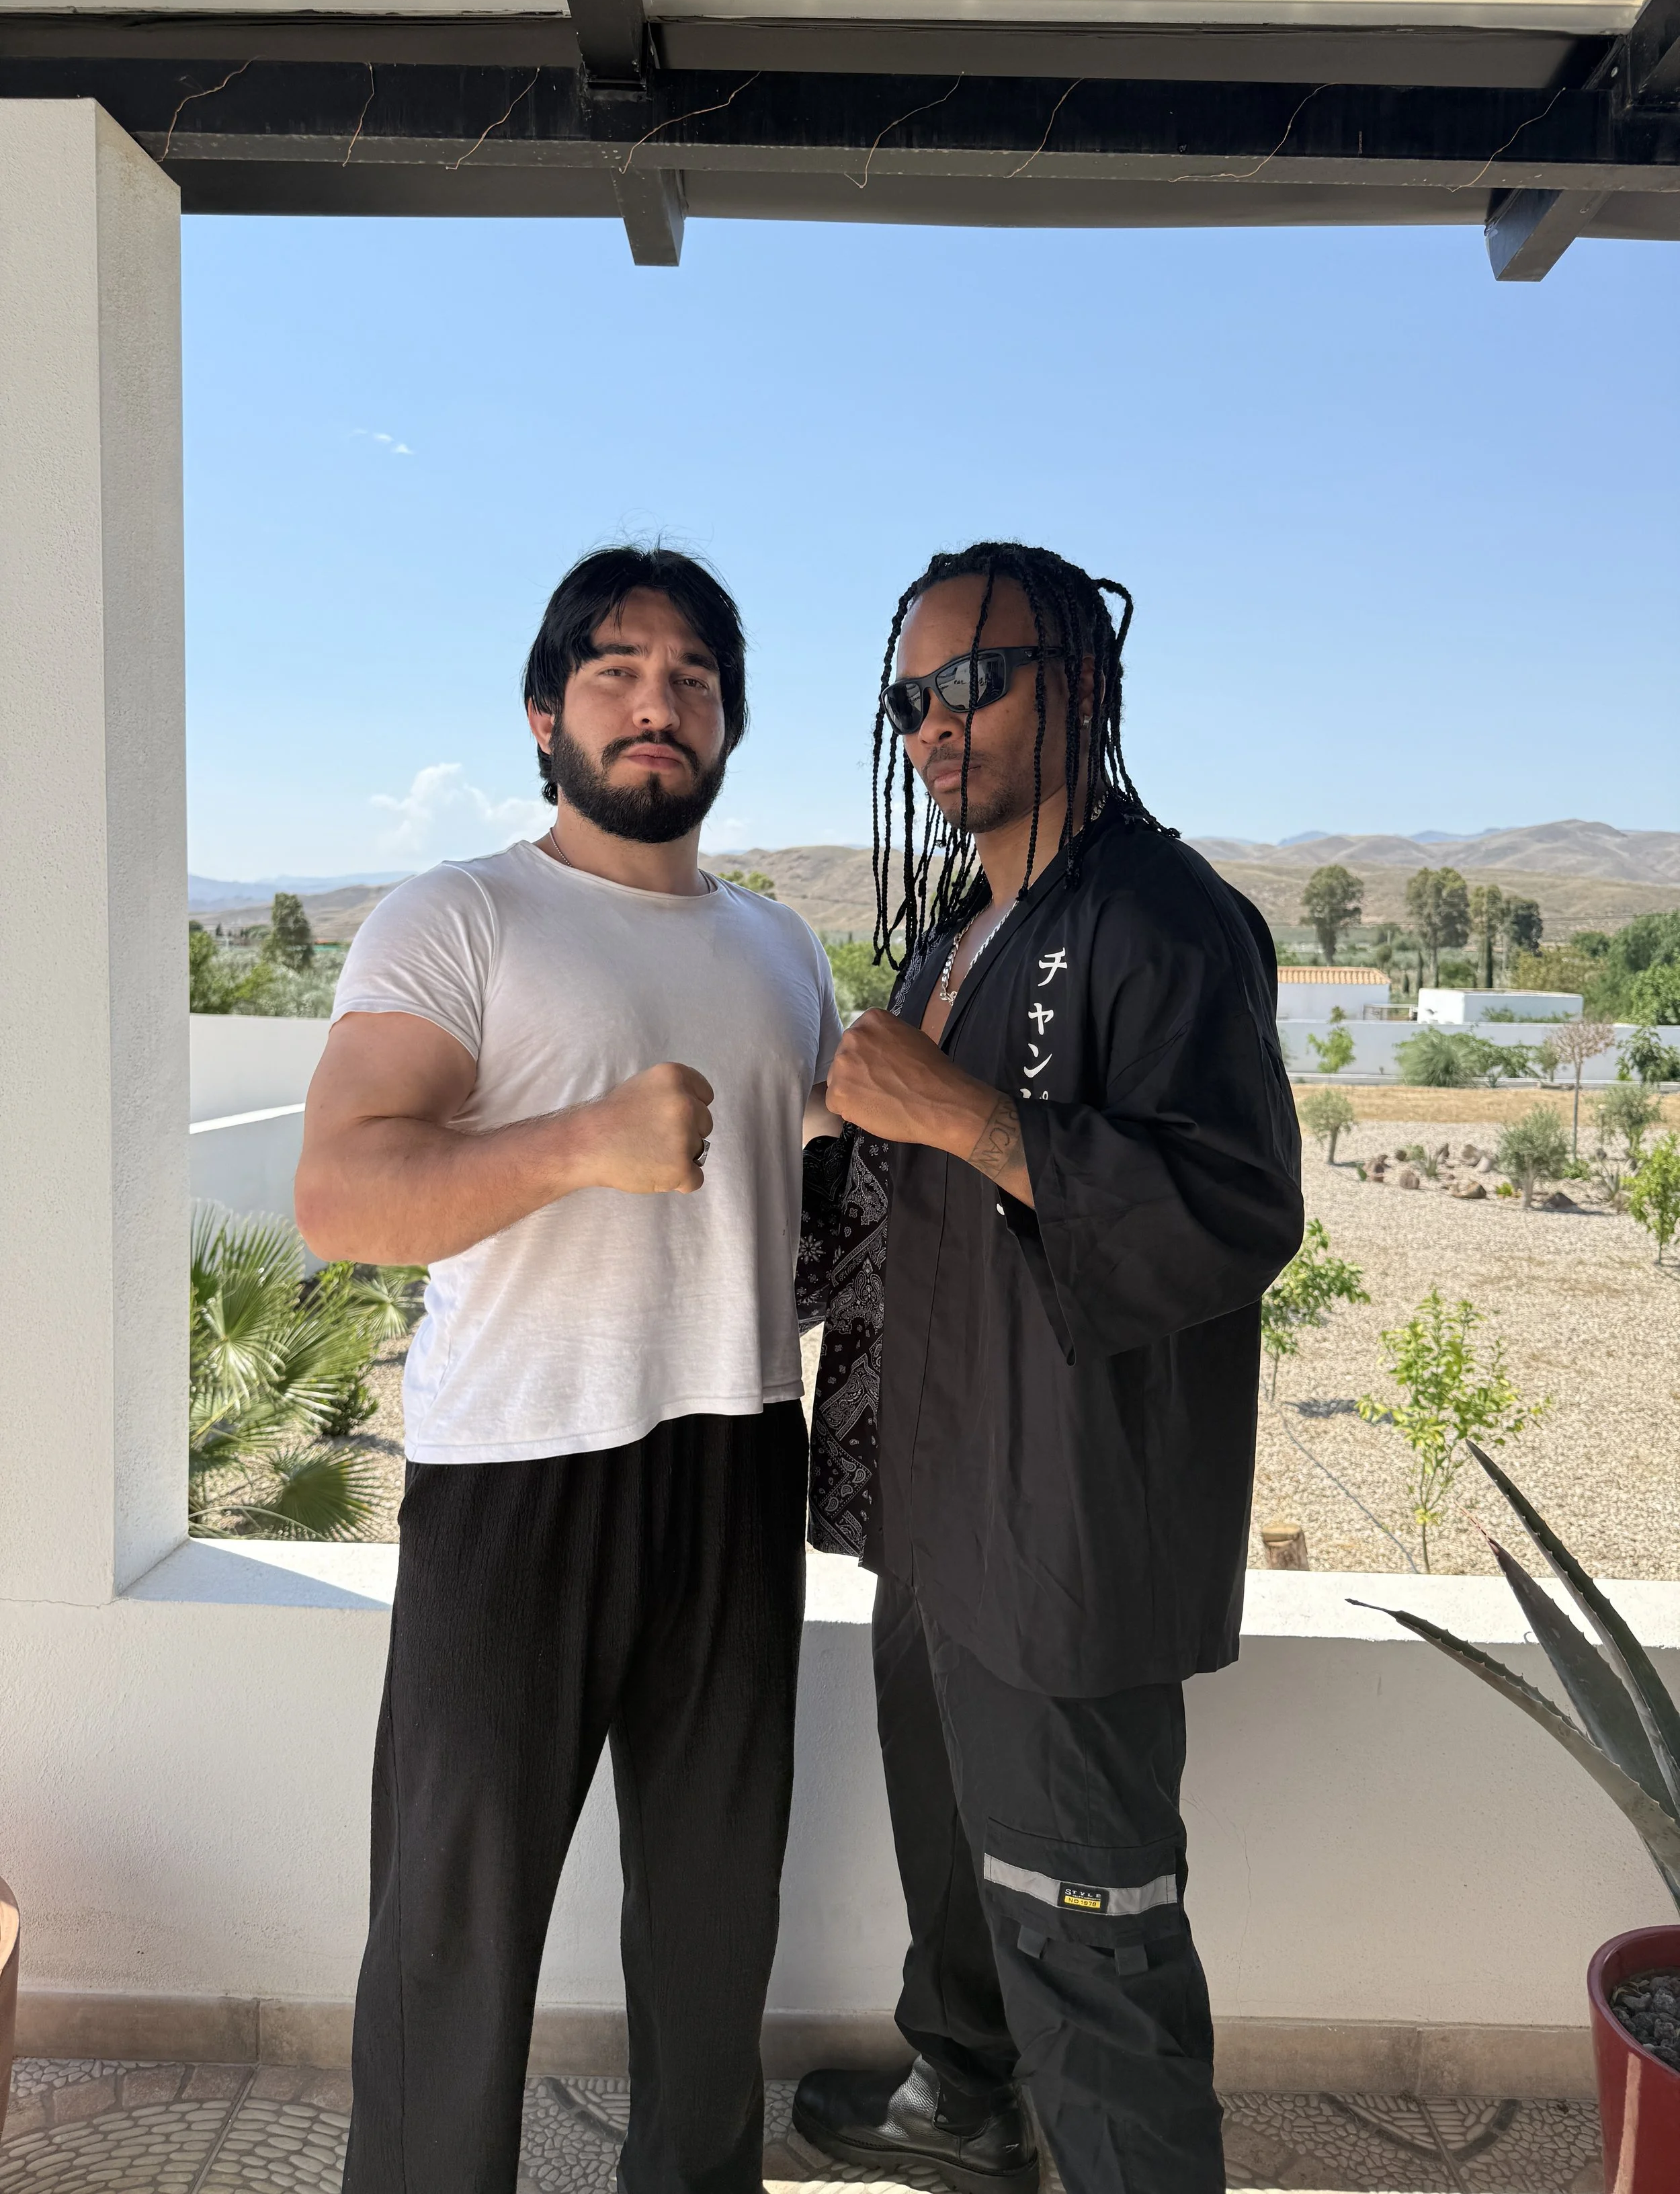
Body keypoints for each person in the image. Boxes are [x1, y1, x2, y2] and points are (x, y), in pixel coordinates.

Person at [295, 545, 841, 2194]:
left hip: (737, 1454)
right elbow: (340, 1195)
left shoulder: (780, 947)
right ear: (544, 714)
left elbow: (804, 1195)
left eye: (690, 676)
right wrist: (582, 1143)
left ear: (728, 721)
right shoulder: (458, 914)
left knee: (712, 1926)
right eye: (614, 669)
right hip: (515, 1473)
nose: (654, 701)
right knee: (452, 1939)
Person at [792, 543, 1302, 2194]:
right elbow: (897, 1194)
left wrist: (958, 1112)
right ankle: (963, 2100)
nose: (934, 724)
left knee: (1088, 1926)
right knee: (956, 1871)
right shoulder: (963, 924)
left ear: (1074, 681)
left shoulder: (1168, 924)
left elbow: (1231, 1211)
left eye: (971, 681)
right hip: (937, 1506)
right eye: (908, 697)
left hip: (1062, 1524)